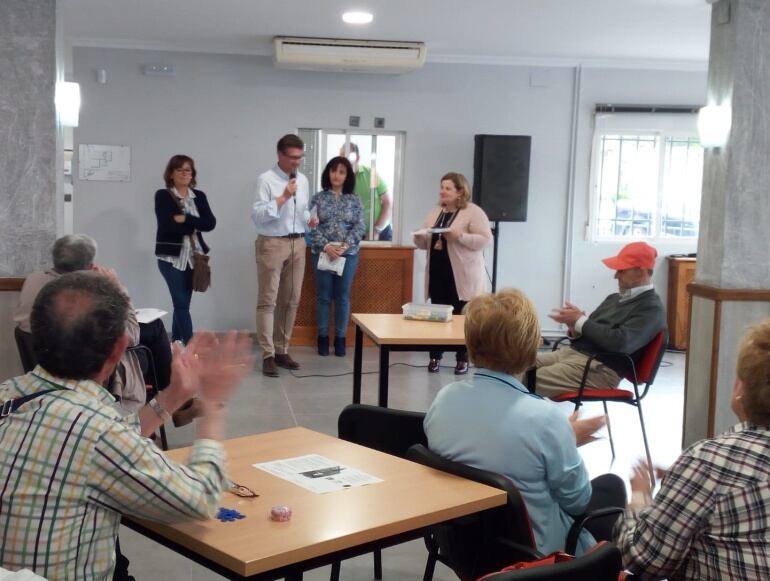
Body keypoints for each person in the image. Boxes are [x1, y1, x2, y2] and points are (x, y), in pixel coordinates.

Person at [0, 271, 254, 580]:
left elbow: (95, 444)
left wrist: (173, 397)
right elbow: (199, 498)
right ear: (119, 349)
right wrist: (212, 403)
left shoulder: (10, 393)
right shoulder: (97, 432)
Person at [424, 289, 626, 555]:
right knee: (612, 487)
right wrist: (565, 438)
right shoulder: (546, 419)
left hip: (462, 548)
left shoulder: (443, 400)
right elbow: (578, 502)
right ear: (533, 345)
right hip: (534, 555)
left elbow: (492, 445)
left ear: (470, 344)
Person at [615, 319, 770, 580]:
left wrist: (640, 498)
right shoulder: (708, 465)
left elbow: (643, 560)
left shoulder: (710, 462)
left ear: (742, 387)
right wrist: (684, 480)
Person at [13, 234, 180, 421]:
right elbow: (131, 335)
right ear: (90, 266)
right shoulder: (85, 294)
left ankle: (170, 402)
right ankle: (171, 401)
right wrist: (117, 287)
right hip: (84, 370)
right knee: (148, 343)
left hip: (44, 370)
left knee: (151, 332)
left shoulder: (33, 281)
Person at [536, 241, 666, 397]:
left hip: (599, 369)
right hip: (573, 356)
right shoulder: (613, 298)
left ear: (641, 271)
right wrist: (574, 327)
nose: (615, 275)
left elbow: (620, 343)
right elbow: (592, 333)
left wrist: (581, 321)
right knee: (508, 364)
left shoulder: (651, 308)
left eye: (621, 270)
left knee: (521, 378)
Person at [413, 172, 492, 375]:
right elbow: (425, 241)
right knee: (438, 316)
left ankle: (462, 359)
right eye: (442, 187)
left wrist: (460, 236)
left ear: (460, 192)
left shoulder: (473, 212)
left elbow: (485, 240)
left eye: (448, 188)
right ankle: (435, 357)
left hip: (463, 276)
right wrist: (420, 238)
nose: (442, 191)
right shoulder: (435, 212)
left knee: (462, 318)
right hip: (438, 273)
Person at [252, 134, 317, 377]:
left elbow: (301, 211)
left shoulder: (303, 179)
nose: (296, 163)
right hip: (271, 243)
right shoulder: (265, 180)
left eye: (300, 158)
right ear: (279, 155)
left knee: (291, 300)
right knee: (268, 301)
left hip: (298, 242)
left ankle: (282, 350)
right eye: (292, 158)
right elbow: (258, 215)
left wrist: (310, 218)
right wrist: (283, 197)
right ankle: (268, 354)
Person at [155, 154, 216, 345]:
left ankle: (176, 340)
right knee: (180, 302)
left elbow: (210, 223)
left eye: (187, 170)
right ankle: (191, 346)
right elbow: (168, 225)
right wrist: (195, 223)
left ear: (192, 174)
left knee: (182, 304)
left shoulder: (199, 196)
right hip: (170, 258)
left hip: (194, 257)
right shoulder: (163, 195)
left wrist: (186, 219)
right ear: (171, 174)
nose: (184, 173)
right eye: (179, 169)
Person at [309, 156, 365, 357]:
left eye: (341, 172)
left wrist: (344, 245)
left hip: (347, 255)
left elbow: (360, 226)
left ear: (347, 176)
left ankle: (340, 338)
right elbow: (310, 225)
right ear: (328, 173)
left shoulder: (355, 199)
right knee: (323, 297)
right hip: (322, 253)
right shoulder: (318, 198)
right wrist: (326, 246)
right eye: (333, 170)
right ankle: (323, 337)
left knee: (342, 297)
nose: (337, 175)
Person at [341, 142, 392, 240]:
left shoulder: (370, 174)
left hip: (381, 232)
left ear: (358, 158)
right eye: (342, 156)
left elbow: (387, 203)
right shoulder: (339, 180)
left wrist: (376, 230)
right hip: (354, 236)